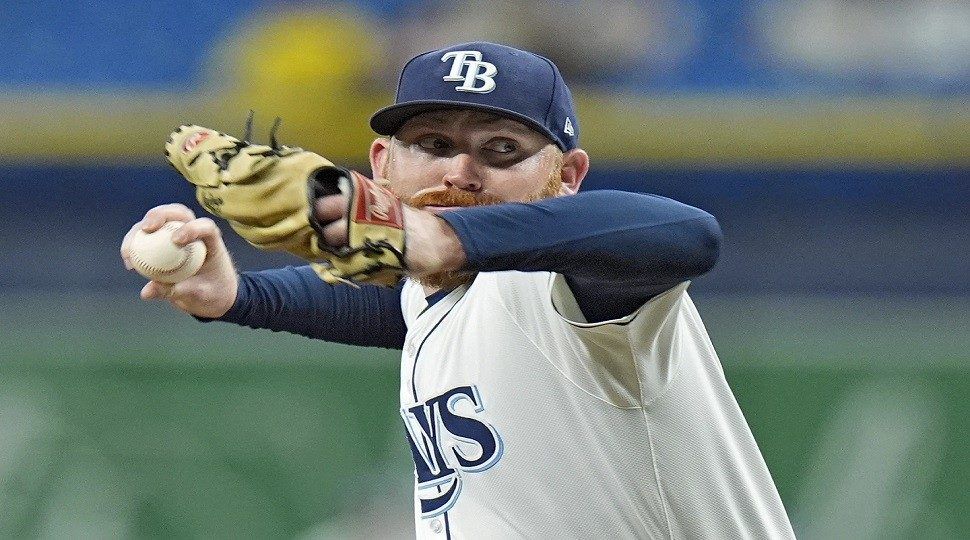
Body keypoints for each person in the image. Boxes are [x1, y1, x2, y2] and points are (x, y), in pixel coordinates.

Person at [122, 42, 795, 539]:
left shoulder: (575, 287)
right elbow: (396, 306)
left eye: (502, 149)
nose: (461, 170)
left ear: (567, 176)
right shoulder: (440, 294)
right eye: (433, 143)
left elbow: (691, 235)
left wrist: (437, 238)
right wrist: (236, 295)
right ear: (382, 165)